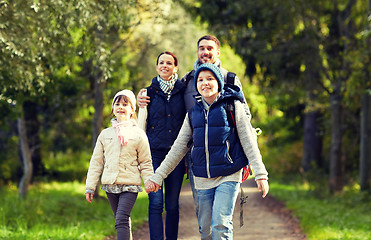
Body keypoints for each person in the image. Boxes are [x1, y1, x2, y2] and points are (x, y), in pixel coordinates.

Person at [145, 63, 269, 240]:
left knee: (221, 224)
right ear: (196, 85)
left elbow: (249, 141)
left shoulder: (233, 106)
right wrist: (158, 176)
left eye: (210, 79)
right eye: (201, 80)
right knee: (205, 230)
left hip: (229, 173)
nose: (205, 83)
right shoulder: (192, 114)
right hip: (202, 177)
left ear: (219, 82)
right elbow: (178, 148)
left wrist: (261, 174)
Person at [137, 35, 252, 217]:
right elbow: (168, 100)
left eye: (209, 48)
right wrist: (142, 100)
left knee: (221, 219)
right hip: (195, 156)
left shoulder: (230, 79)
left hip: (227, 156)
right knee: (203, 214)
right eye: (202, 48)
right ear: (197, 51)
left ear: (217, 52)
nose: (205, 52)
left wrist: (248, 157)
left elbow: (245, 116)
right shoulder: (188, 80)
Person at [85, 89, 154, 240]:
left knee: (121, 219)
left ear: (132, 110)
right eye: (117, 104)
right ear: (113, 108)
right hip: (110, 185)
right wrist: (90, 186)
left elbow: (145, 161)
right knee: (122, 220)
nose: (121, 107)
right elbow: (96, 162)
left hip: (130, 185)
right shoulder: (105, 134)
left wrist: (149, 181)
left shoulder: (138, 134)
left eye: (125, 104)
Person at [139, 51, 186, 240]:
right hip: (153, 155)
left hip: (176, 156)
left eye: (169, 63)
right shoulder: (147, 93)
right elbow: (140, 124)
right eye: (161, 62)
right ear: (157, 67)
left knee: (172, 205)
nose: (164, 65)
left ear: (175, 67)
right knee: (156, 203)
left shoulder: (184, 92)